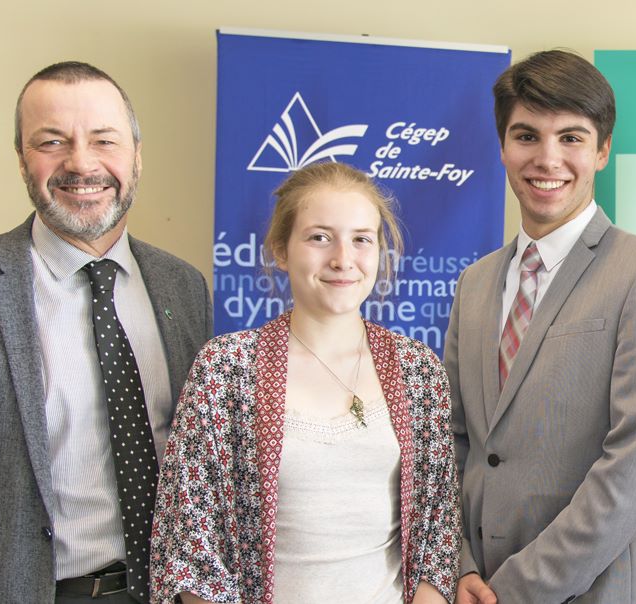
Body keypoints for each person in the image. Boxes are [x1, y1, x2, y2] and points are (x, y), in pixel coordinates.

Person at [0, 61, 212, 603]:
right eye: (52, 141)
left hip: (175, 593)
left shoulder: (183, 286)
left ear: (137, 155)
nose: (81, 162)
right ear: (22, 158)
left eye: (103, 140)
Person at [443, 50, 636, 604]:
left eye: (572, 138)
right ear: (503, 147)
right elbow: (455, 440)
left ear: (603, 149)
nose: (547, 158)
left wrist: (517, 589)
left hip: (592, 590)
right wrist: (460, 564)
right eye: (527, 136)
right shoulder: (475, 283)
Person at [149, 161, 459, 604]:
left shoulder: (417, 371)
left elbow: (436, 533)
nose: (342, 259)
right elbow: (194, 547)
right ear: (280, 249)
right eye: (319, 237)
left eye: (361, 240)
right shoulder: (227, 369)